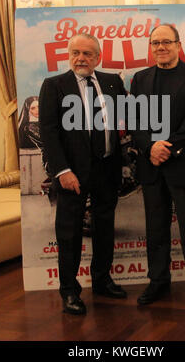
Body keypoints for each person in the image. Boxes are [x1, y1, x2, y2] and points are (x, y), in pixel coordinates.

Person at [39, 33, 127, 315]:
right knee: (69, 233)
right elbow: (49, 133)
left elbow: (126, 119)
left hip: (106, 168)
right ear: (68, 55)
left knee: (104, 228)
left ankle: (102, 280)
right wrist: (62, 170)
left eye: (87, 53)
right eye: (75, 52)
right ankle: (69, 291)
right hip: (72, 173)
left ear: (97, 57)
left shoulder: (113, 82)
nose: (81, 58)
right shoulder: (54, 85)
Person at [130, 23, 185, 307]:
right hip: (152, 165)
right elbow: (135, 120)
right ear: (150, 48)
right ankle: (158, 281)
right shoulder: (140, 79)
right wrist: (150, 147)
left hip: (184, 164)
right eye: (155, 43)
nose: (161, 47)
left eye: (167, 42)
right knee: (156, 227)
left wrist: (169, 147)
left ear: (178, 44)